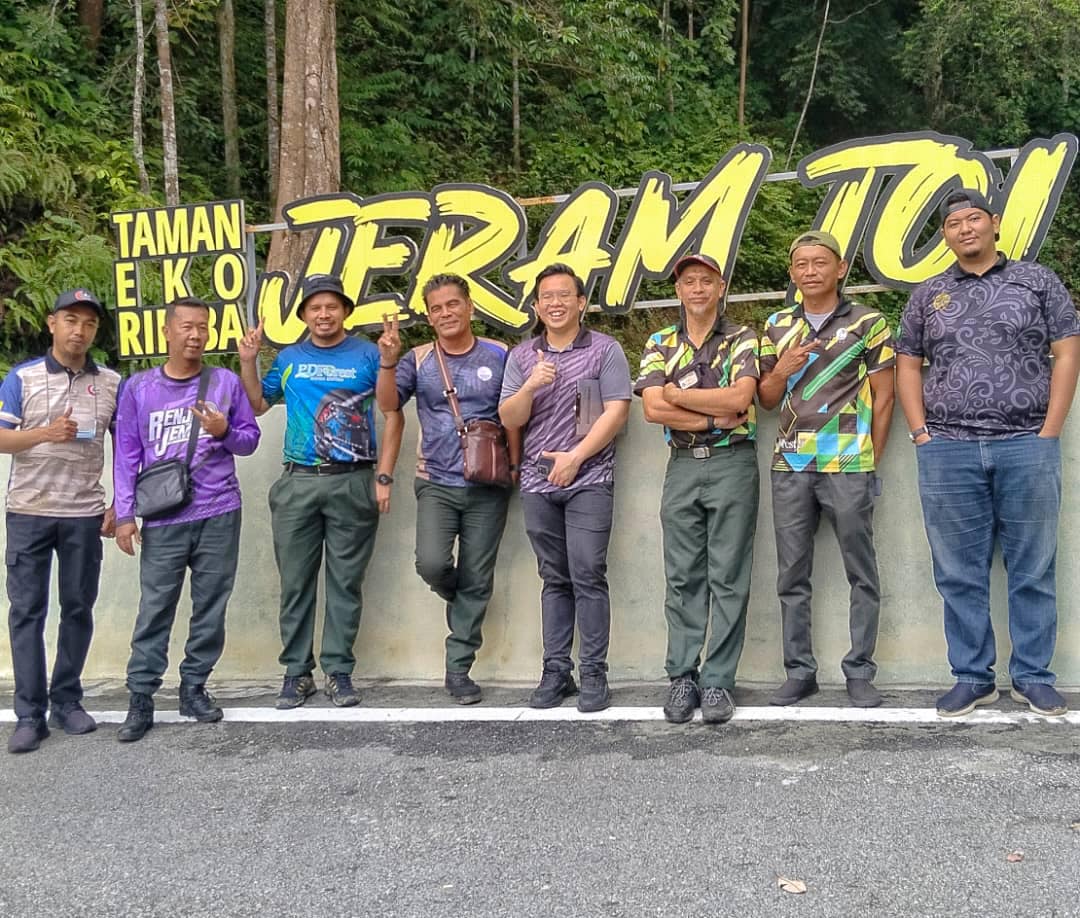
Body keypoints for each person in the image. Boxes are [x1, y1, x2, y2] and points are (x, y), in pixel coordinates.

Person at [896, 189, 1080, 718]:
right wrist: (921, 434)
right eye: (954, 223)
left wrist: (1051, 429)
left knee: (1033, 566)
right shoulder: (928, 294)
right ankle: (973, 677)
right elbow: (908, 362)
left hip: (1027, 444)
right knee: (958, 571)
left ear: (994, 224)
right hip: (948, 449)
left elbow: (1068, 350)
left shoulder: (1036, 281)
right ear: (946, 235)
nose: (964, 229)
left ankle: (1033, 676)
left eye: (974, 218)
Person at [239, 274, 402, 710]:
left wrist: (388, 363)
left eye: (332, 306)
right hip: (297, 482)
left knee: (345, 582)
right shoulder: (291, 357)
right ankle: (296, 673)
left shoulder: (369, 353)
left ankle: (338, 671)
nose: (324, 314)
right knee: (296, 584)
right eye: (315, 307)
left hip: (351, 479)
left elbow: (390, 407)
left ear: (345, 311)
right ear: (305, 314)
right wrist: (249, 362)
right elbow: (258, 404)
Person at [111, 297, 261, 741]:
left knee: (211, 606)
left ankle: (194, 686)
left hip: (220, 511)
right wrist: (124, 515)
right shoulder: (139, 388)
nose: (195, 336)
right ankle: (140, 697)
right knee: (155, 607)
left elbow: (249, 441)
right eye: (187, 327)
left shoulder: (225, 382)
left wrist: (224, 432)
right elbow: (126, 454)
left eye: (203, 328)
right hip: (164, 517)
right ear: (167, 331)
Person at [758, 230, 895, 708]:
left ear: (840, 268)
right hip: (790, 461)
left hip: (848, 462)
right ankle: (800, 672)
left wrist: (870, 458)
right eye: (801, 264)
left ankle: (859, 670)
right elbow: (767, 400)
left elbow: (885, 397)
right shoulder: (775, 325)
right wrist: (781, 367)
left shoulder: (868, 322)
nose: (810, 270)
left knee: (862, 571)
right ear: (792, 274)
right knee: (791, 574)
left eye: (820, 262)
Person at [375, 274, 519, 704]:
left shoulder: (500, 354)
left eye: (453, 304)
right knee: (432, 563)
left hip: (489, 482)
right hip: (436, 480)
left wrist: (514, 467)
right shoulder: (417, 359)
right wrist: (387, 361)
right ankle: (466, 600)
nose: (446, 313)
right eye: (436, 308)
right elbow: (387, 405)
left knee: (478, 573)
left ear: (470, 307)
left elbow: (514, 415)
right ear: (429, 316)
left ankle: (458, 668)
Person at [499, 263, 631, 713]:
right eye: (546, 297)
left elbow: (617, 411)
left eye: (564, 295)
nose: (555, 303)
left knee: (588, 572)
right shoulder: (522, 358)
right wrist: (531, 387)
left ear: (581, 303)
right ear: (536, 307)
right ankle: (556, 670)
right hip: (538, 482)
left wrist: (576, 458)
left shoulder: (604, 350)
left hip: (589, 478)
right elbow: (510, 419)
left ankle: (594, 671)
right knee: (553, 578)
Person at [635, 253, 760, 725]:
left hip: (733, 465)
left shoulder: (743, 338)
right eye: (688, 281)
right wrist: (711, 417)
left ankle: (718, 681)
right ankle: (682, 675)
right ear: (678, 290)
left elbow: (741, 398)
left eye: (706, 281)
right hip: (683, 464)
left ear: (721, 286)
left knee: (729, 575)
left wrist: (678, 395)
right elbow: (650, 409)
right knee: (683, 575)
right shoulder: (660, 341)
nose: (697, 289)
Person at [0, 288, 121, 754]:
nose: (80, 330)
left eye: (89, 324)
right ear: (52, 323)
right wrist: (46, 433)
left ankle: (67, 701)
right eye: (71, 320)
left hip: (84, 515)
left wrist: (121, 503)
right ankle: (29, 715)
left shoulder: (110, 382)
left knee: (78, 608)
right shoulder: (23, 377)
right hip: (29, 511)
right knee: (27, 613)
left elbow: (127, 448)